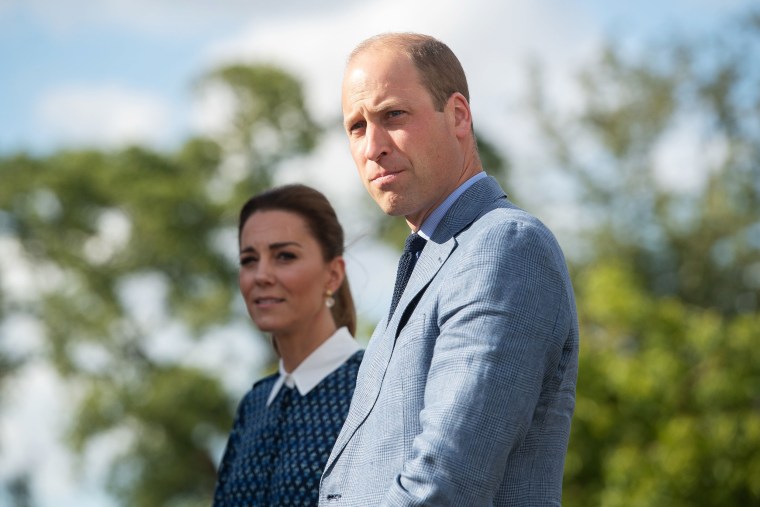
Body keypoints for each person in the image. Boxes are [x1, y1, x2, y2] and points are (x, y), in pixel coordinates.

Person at [319, 33, 579, 506]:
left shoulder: (503, 246)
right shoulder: (429, 261)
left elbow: (446, 482)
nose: (372, 146)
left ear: (458, 115)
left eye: (393, 115)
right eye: (356, 127)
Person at [213, 184, 364, 506]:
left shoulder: (374, 386)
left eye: (285, 256)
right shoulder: (254, 406)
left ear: (333, 275)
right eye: (249, 259)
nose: (261, 275)